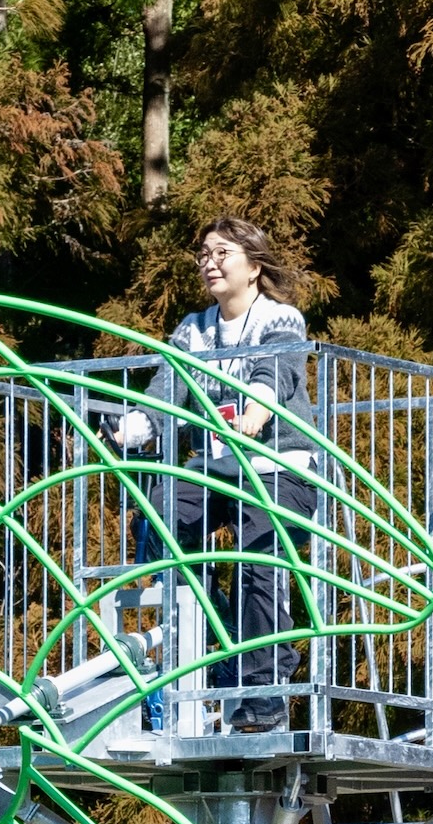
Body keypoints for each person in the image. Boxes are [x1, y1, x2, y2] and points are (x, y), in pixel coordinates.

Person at [109, 219, 314, 733]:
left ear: (255, 264)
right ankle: (221, 648)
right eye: (204, 254)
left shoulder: (281, 318)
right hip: (213, 468)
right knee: (160, 520)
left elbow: (276, 372)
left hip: (275, 467)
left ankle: (264, 692)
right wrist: (136, 425)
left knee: (255, 565)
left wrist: (257, 410)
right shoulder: (193, 328)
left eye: (223, 252)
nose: (210, 262)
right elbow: (167, 385)